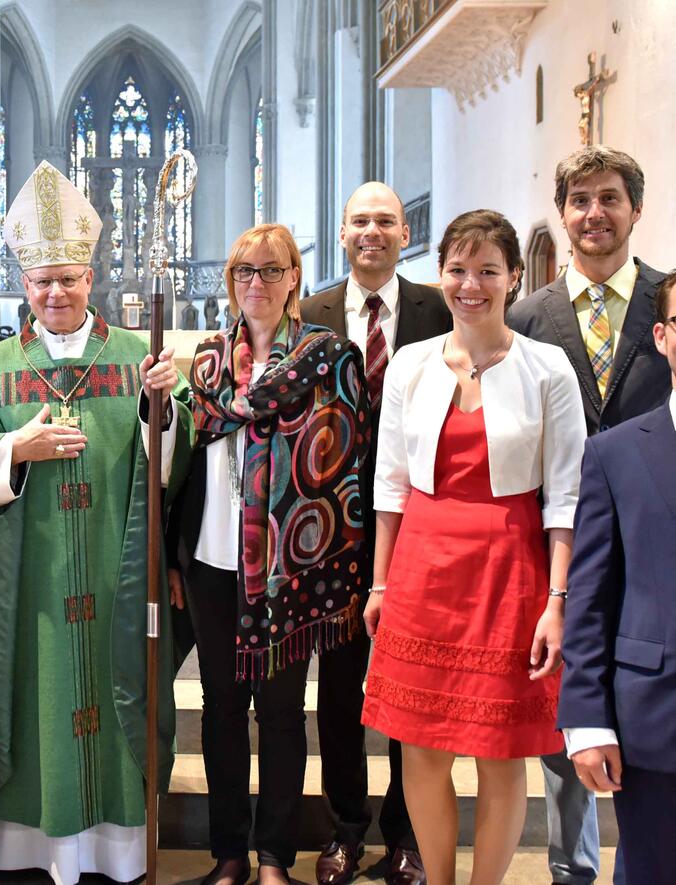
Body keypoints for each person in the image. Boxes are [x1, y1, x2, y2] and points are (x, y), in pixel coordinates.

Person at [0, 161, 192, 885]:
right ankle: (23, 845)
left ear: (91, 279)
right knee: (31, 698)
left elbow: (169, 457)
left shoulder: (134, 358)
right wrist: (11, 449)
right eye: (42, 281)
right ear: (25, 286)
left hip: (115, 575)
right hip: (30, 585)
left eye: (69, 278)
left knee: (120, 698)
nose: (56, 292)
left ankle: (113, 850)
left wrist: (160, 406)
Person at [361, 210, 586, 885]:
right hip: (423, 572)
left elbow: (566, 498)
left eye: (488, 270)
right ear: (441, 274)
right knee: (422, 749)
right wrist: (379, 584)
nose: (471, 284)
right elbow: (390, 487)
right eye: (458, 269)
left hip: (509, 571)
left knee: (499, 749)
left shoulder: (548, 369)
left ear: (514, 277)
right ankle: (438, 877)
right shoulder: (410, 363)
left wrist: (556, 600)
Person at [167, 223, 369, 885]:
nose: (256, 282)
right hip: (211, 556)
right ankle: (230, 852)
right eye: (244, 271)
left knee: (282, 711)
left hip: (291, 564)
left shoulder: (327, 356)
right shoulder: (203, 361)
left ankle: (274, 854)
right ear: (231, 282)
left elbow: (344, 463)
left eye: (271, 270)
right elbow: (183, 460)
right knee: (222, 707)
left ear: (294, 281)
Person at [506, 145, 670, 885]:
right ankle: (572, 866)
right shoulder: (525, 317)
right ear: (561, 212)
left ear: (636, 208)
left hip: (657, 531)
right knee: (565, 703)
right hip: (558, 536)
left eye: (609, 198)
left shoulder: (670, 300)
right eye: (579, 199)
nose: (594, 213)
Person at [300, 182, 452, 885]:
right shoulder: (311, 313)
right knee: (337, 692)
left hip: (416, 529)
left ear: (403, 232)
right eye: (359, 220)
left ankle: (408, 833)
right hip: (330, 536)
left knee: (413, 691)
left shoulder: (437, 308)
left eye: (384, 221)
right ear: (341, 232)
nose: (372, 231)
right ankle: (344, 829)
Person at [558, 271, 676, 885]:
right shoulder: (617, 452)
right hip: (657, 712)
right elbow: (593, 598)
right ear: (662, 336)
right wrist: (586, 719)